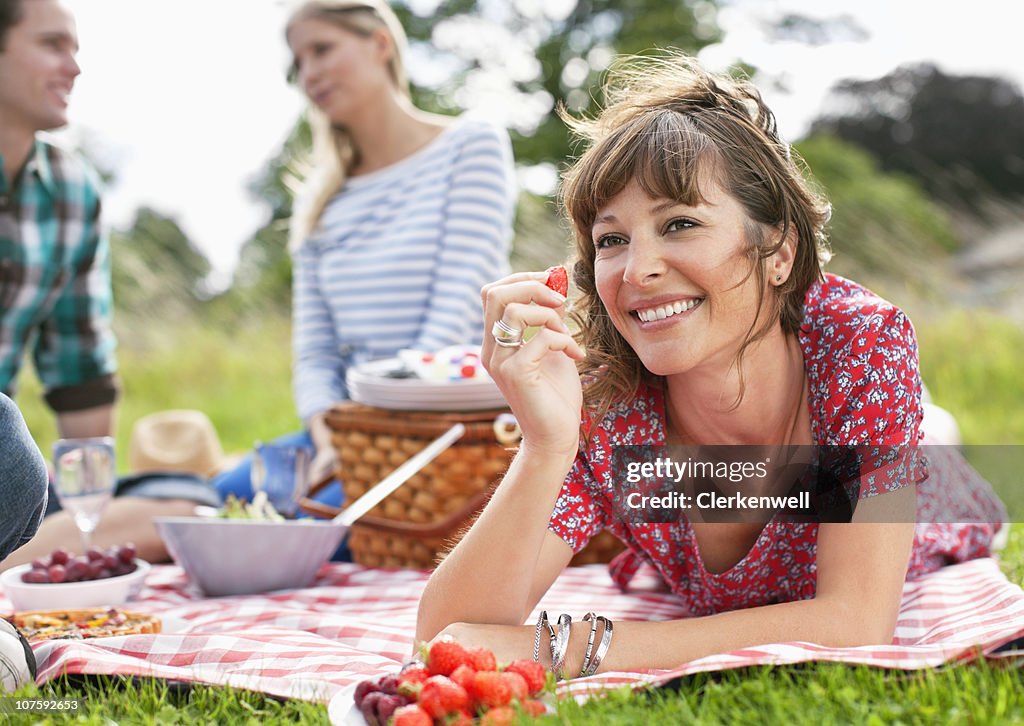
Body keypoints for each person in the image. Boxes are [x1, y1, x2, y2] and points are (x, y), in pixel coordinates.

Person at [415, 52, 1006, 674]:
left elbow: (856, 620)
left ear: (778, 250)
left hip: (926, 498)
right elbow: (443, 639)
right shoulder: (607, 399)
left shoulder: (860, 344)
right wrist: (544, 444)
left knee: (933, 453)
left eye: (680, 223)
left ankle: (933, 432)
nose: (637, 269)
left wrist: (569, 649)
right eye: (612, 239)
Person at [213, 0, 517, 516]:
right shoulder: (318, 200)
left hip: (439, 433)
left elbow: (458, 308)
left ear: (379, 43)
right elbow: (314, 354)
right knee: (214, 504)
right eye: (298, 62)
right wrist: (331, 437)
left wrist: (368, 432)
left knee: (306, 528)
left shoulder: (471, 146)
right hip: (346, 434)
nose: (309, 74)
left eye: (322, 49)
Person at [0, 0, 211, 571]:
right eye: (51, 45)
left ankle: (41, 550)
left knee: (187, 504)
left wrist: (87, 504)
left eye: (75, 48)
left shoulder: (70, 189)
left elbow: (81, 374)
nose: (73, 66)